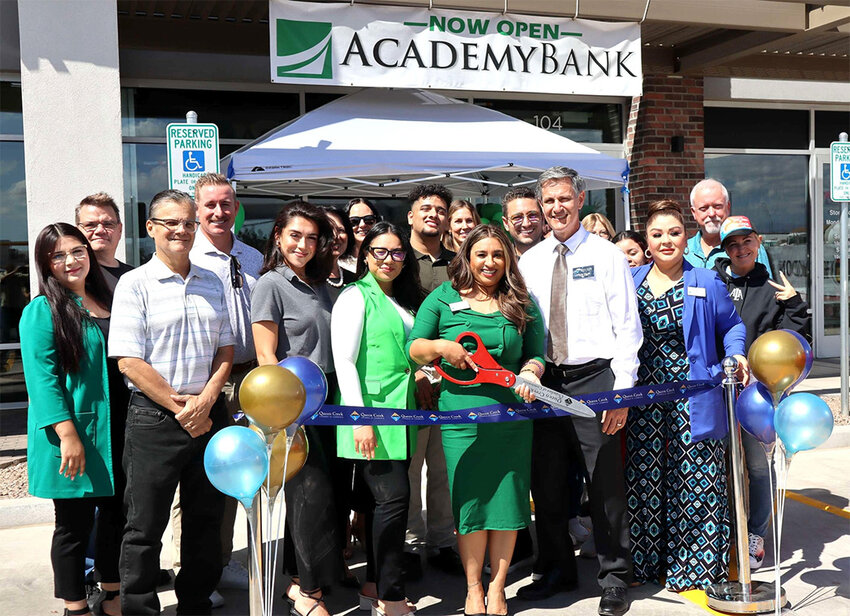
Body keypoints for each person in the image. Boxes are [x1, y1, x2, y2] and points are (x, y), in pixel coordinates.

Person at [517, 166, 642, 616]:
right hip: (546, 382)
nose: (556, 208)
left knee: (604, 483)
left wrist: (621, 394)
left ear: (581, 198)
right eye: (548, 202)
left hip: (596, 380)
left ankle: (614, 577)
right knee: (547, 484)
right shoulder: (529, 260)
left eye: (564, 199)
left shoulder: (606, 255)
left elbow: (628, 327)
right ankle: (556, 569)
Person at [408, 224, 544, 616]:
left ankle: (497, 588)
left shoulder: (520, 299)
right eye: (481, 254)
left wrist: (532, 372)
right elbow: (414, 347)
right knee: (469, 505)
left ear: (507, 260)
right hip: (461, 418)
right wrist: (441, 347)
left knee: (507, 503)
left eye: (498, 255)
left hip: (512, 418)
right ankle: (473, 588)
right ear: (466, 257)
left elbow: (538, 353)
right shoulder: (443, 297)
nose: (490, 262)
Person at [109, 189, 234, 615]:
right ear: (151, 229)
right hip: (154, 418)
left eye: (187, 222)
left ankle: (195, 604)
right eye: (170, 222)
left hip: (208, 412)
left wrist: (208, 399)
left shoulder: (212, 281)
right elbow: (129, 361)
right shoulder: (134, 284)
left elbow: (226, 350)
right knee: (144, 527)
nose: (180, 230)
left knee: (204, 523)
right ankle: (140, 608)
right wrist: (184, 408)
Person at [627, 199, 748, 592]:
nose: (666, 240)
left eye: (674, 232)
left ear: (686, 236)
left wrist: (737, 354)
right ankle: (648, 563)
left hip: (694, 397)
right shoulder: (631, 282)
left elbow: (732, 326)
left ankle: (692, 566)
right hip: (645, 399)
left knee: (695, 479)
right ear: (646, 240)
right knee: (646, 480)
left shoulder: (706, 280)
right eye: (657, 234)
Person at [168, 173, 262, 602]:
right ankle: (191, 568)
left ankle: (222, 562)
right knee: (202, 479)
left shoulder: (254, 257)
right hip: (206, 380)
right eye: (209, 205)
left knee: (242, 471)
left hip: (251, 379)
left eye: (226, 204)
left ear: (236, 206)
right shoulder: (189, 257)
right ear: (197, 208)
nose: (219, 212)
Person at [21, 223, 124, 616]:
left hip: (115, 428)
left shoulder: (106, 299)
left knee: (117, 516)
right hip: (75, 433)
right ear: (46, 264)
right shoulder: (42, 310)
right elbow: (42, 380)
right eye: (59, 255)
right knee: (73, 526)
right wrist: (68, 435)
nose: (71, 261)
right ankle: (75, 607)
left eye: (77, 251)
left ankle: (112, 597)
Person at [332, 222, 425, 616]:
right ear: (366, 255)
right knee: (394, 503)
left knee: (377, 505)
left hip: (400, 417)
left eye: (397, 252)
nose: (389, 259)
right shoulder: (355, 297)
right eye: (380, 252)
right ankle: (391, 597)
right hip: (372, 417)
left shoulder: (399, 299)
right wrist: (360, 418)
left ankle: (373, 586)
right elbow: (345, 362)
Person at [251, 201, 340, 616]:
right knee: (309, 498)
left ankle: (303, 579)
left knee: (325, 497)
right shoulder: (270, 283)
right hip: (294, 406)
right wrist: (286, 417)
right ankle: (307, 592)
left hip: (333, 402)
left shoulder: (324, 284)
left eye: (311, 237)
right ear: (278, 237)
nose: (303, 245)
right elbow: (266, 356)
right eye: (295, 236)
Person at [713, 215, 809, 570]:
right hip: (717, 389)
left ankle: (755, 536)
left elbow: (793, 341)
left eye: (746, 241)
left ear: (759, 241)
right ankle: (722, 533)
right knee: (717, 464)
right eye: (732, 244)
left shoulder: (773, 288)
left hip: (757, 395)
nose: (741, 249)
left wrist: (795, 304)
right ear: (724, 250)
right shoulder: (713, 282)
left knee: (756, 465)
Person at [403, 183, 463, 580]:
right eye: (425, 208)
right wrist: (422, 372)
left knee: (443, 467)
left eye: (440, 210)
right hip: (406, 380)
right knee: (408, 468)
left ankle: (442, 541)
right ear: (410, 215)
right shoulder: (394, 257)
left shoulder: (459, 263)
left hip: (452, 383)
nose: (434, 215)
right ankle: (408, 544)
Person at [686, 179, 772, 275]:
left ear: (728, 207)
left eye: (717, 206)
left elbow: (767, 287)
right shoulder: (683, 251)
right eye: (703, 208)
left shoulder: (750, 248)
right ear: (693, 212)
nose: (711, 213)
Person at [76, 193, 134, 292]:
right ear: (77, 231)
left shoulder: (134, 276)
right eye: (90, 225)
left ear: (120, 230)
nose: (100, 230)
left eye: (108, 224)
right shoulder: (74, 276)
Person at [322, 205, 358, 303]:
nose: (335, 236)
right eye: (328, 230)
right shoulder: (304, 279)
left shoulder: (355, 280)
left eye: (340, 230)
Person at [500, 187, 544, 257]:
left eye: (532, 215)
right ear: (506, 223)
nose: (526, 224)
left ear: (543, 218)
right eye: (517, 217)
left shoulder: (560, 257)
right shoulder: (502, 263)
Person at [345, 198, 381, 271]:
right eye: (354, 221)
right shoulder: (338, 261)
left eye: (368, 220)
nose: (362, 225)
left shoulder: (388, 256)